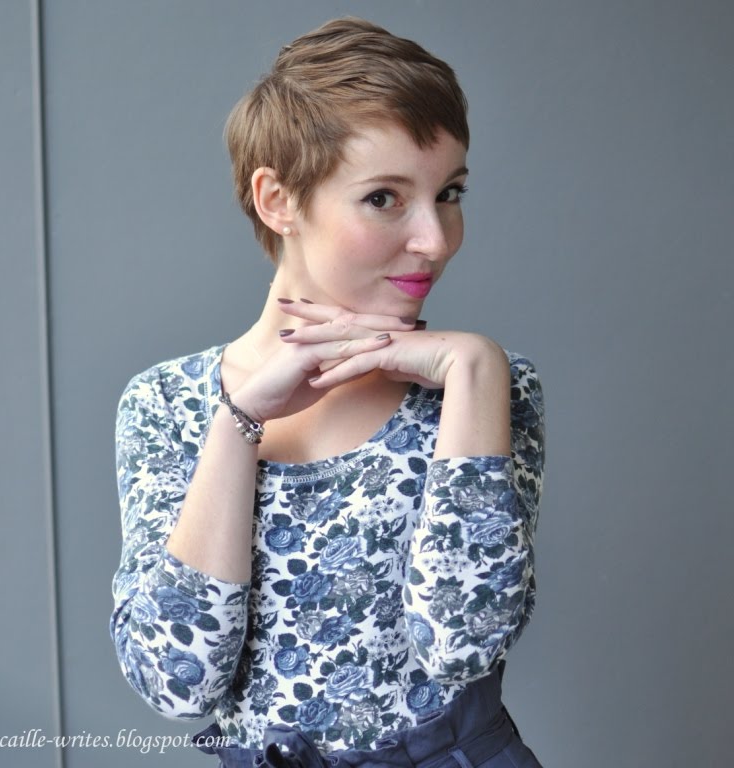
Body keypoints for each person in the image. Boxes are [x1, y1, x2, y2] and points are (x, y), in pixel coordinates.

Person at [111, 17, 545, 768]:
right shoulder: (167, 404)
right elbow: (177, 684)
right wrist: (238, 420)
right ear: (278, 200)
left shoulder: (482, 390)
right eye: (384, 198)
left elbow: (462, 644)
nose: (436, 239)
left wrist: (477, 367)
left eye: (449, 193)